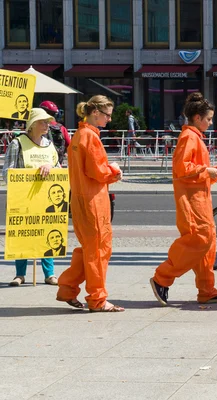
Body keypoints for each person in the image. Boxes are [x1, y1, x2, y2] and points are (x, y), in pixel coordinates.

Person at [149, 93, 217, 306]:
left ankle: (207, 289)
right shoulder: (189, 137)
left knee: (207, 242)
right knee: (199, 239)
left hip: (199, 199)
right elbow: (181, 169)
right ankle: (162, 278)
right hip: (192, 201)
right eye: (209, 119)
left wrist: (209, 173)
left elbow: (190, 170)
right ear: (196, 118)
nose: (211, 123)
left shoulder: (194, 137)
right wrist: (206, 170)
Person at [56, 95, 124, 312]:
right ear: (96, 113)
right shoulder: (90, 137)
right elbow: (98, 171)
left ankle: (67, 288)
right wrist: (114, 170)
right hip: (93, 201)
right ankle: (97, 299)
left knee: (89, 250)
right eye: (107, 115)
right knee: (97, 251)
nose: (109, 120)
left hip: (81, 199)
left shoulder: (79, 136)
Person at [3, 108, 61, 286]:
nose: (47, 125)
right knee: (22, 234)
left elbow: (59, 169)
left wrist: (50, 167)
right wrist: (31, 174)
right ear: (33, 124)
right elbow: (7, 172)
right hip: (23, 198)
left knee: (47, 233)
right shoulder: (18, 143)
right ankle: (20, 274)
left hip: (46, 197)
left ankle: (49, 273)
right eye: (43, 122)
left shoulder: (49, 145)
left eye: (47, 122)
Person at [40, 100, 71, 166]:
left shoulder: (37, 127)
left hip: (40, 166)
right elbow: (70, 146)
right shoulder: (62, 128)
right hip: (58, 166)